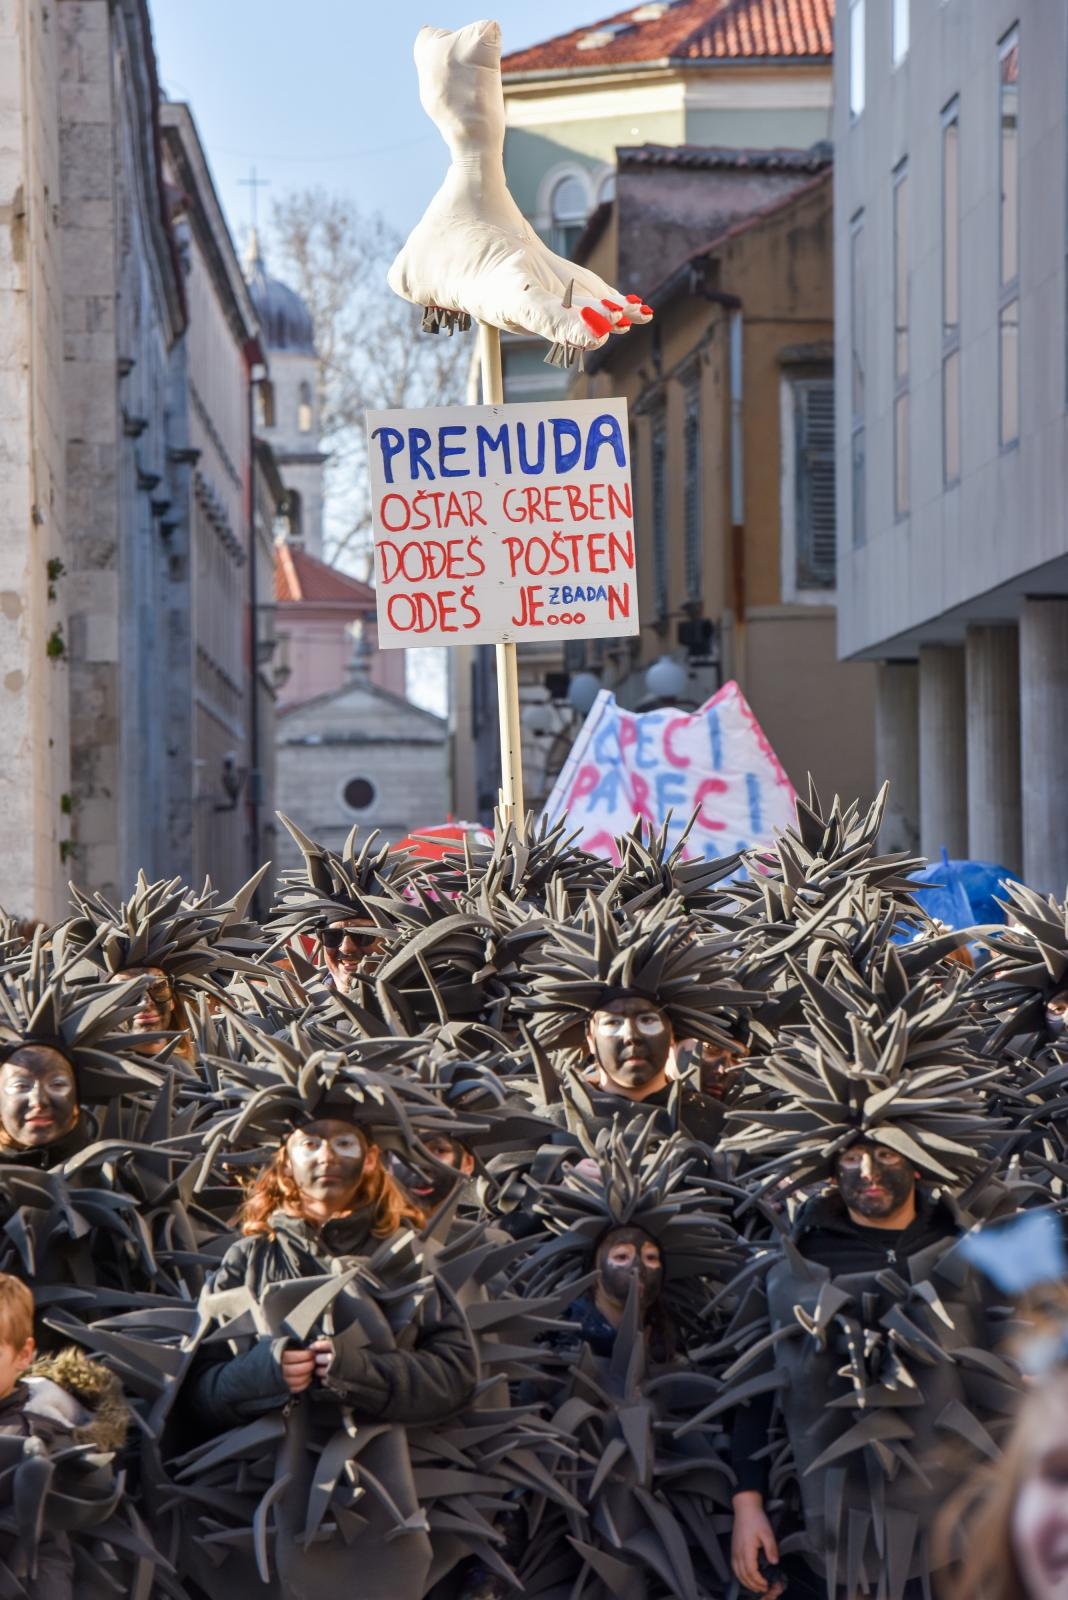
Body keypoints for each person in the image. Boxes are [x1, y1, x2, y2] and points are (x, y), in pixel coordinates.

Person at [721, 950, 1020, 1600]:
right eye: (852, 1156)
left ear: (918, 1160)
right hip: (835, 1538)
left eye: (886, 1154)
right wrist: (748, 1507)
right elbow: (755, 1399)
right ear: (830, 1168)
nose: (868, 1173)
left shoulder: (972, 1251)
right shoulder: (792, 1265)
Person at [179, 1101, 479, 1600]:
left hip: (395, 1517)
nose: (326, 1157)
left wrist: (357, 1372)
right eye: (310, 1143)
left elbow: (456, 1377)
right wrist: (264, 1373)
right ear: (286, 1159)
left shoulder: (408, 1258)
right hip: (269, 1521)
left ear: (369, 1158)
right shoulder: (246, 1259)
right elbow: (196, 1392)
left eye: (343, 1143)